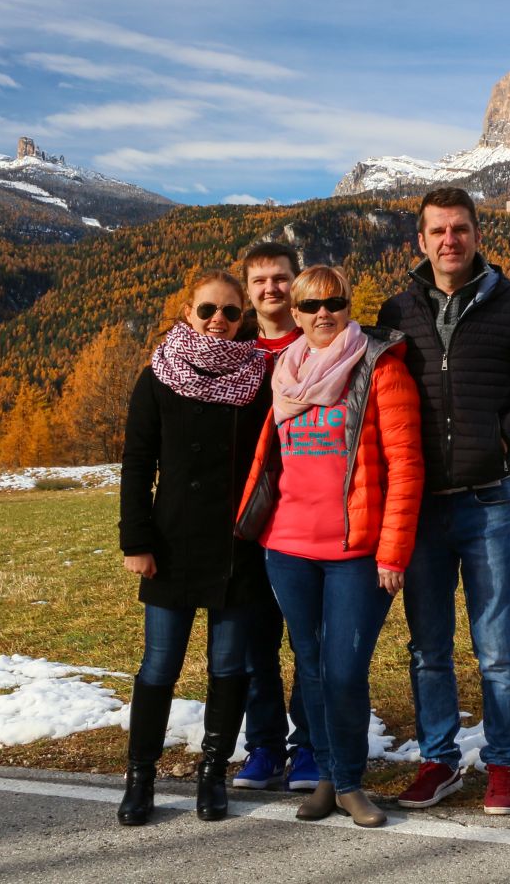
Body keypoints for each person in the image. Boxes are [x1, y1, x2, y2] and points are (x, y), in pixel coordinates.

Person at [377, 187, 510, 815]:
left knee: (496, 646)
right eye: (437, 231)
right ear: (421, 240)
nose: (449, 240)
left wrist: (504, 436)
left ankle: (505, 765)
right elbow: (374, 393)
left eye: (459, 229)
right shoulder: (396, 309)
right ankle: (438, 762)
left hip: (489, 502)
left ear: (476, 234)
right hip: (422, 506)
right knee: (427, 645)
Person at [236, 265, 423, 828]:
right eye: (311, 305)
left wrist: (392, 553)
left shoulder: (379, 368)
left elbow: (406, 466)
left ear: (348, 307)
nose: (324, 313)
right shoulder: (284, 373)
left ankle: (349, 783)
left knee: (344, 669)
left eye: (335, 303)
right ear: (294, 313)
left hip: (357, 552)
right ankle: (325, 778)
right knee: (312, 666)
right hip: (288, 548)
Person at [116, 269, 271, 826]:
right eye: (207, 310)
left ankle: (212, 774)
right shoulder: (158, 374)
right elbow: (137, 463)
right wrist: (136, 539)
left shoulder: (259, 376)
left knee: (228, 667)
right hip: (172, 543)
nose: (218, 321)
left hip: (236, 546)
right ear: (188, 311)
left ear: (242, 318)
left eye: (230, 312)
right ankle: (141, 778)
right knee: (159, 667)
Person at [232, 242, 319, 793]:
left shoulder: (320, 342)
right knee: (252, 641)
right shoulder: (232, 351)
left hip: (306, 514)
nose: (271, 289)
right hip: (245, 519)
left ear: (297, 281)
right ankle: (263, 748)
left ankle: (308, 746)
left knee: (309, 639)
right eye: (260, 280)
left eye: (281, 278)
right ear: (248, 290)